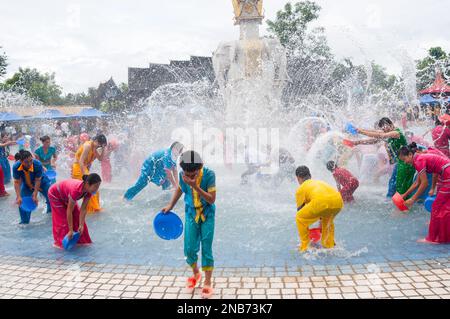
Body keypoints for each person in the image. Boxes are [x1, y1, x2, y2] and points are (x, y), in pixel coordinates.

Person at [161, 151, 216, 299]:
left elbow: (211, 199)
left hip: (207, 215)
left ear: (201, 167)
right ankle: (196, 274)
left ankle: (208, 282)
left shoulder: (209, 175)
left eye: (194, 174)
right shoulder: (182, 175)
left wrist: (195, 186)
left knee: (206, 247)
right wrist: (170, 205)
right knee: (189, 249)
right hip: (191, 214)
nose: (190, 177)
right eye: (187, 174)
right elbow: (180, 188)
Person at [398, 145, 450, 244]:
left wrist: (413, 199)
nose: (405, 162)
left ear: (410, 154)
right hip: (446, 174)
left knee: (436, 207)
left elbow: (424, 183)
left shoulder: (418, 160)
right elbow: (417, 183)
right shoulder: (419, 158)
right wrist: (404, 195)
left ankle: (432, 239)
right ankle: (443, 235)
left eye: (405, 159)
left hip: (447, 175)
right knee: (444, 207)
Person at [352, 117, 415, 198]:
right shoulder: (388, 132)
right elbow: (374, 139)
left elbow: (380, 135)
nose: (384, 130)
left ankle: (400, 201)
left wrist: (361, 131)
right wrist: (358, 141)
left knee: (398, 185)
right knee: (393, 183)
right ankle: (393, 200)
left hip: (406, 163)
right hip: (400, 163)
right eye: (383, 128)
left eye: (385, 127)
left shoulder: (396, 133)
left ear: (391, 124)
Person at [295, 166, 344, 252]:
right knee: (327, 219)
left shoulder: (301, 188)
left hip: (321, 203)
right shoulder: (320, 182)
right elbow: (324, 203)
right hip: (338, 201)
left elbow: (301, 211)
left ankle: (305, 246)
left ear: (298, 178)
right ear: (310, 175)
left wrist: (308, 231)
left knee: (300, 218)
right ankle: (329, 245)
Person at [49, 174, 101, 249]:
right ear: (87, 184)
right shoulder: (76, 190)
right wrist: (70, 230)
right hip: (55, 194)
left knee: (78, 219)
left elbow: (83, 209)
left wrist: (81, 225)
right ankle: (59, 244)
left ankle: (82, 242)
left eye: (98, 186)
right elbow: (69, 211)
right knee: (63, 222)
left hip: (66, 196)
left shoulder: (89, 191)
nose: (97, 189)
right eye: (95, 186)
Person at [13, 150, 51, 224]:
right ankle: (24, 222)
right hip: (27, 184)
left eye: (31, 161)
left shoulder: (37, 164)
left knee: (50, 196)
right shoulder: (16, 167)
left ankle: (50, 214)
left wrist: (35, 194)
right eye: (26, 162)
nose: (30, 163)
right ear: (21, 161)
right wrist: (18, 196)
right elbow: (17, 182)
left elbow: (38, 180)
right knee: (22, 201)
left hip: (42, 182)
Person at [71, 134, 107, 213]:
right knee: (91, 187)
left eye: (102, 145)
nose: (100, 146)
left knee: (93, 188)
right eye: (100, 144)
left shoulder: (96, 147)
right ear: (96, 141)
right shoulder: (87, 145)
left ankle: (93, 208)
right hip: (78, 167)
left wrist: (103, 148)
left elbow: (100, 159)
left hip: (84, 168)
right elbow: (81, 161)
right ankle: (92, 209)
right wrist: (85, 175)